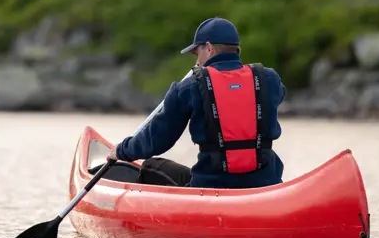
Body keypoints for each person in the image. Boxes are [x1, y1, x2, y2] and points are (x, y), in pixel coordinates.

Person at [107, 17, 287, 189]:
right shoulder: (268, 80)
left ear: (208, 48)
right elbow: (277, 96)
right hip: (266, 185)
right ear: (236, 50)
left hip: (211, 187)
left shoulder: (189, 88)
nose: (196, 61)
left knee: (150, 166)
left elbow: (157, 140)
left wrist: (122, 150)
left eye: (197, 53)